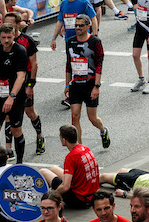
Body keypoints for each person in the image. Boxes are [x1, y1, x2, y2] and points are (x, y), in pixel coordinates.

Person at [0, 21, 29, 168]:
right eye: (3, 37)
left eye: (9, 37)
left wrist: (12, 96)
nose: (6, 40)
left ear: (14, 35)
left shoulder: (20, 50)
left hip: (15, 97)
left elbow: (21, 76)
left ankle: (20, 163)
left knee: (16, 131)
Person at [63, 15, 109, 149]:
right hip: (75, 84)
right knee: (74, 116)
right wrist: (67, 84)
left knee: (92, 118)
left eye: (80, 25)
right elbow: (68, 64)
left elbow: (99, 64)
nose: (77, 28)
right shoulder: (70, 42)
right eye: (76, 25)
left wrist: (97, 86)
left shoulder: (95, 42)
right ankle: (79, 148)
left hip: (90, 84)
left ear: (88, 26)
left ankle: (102, 130)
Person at [44, 124, 100, 210]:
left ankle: (48, 201)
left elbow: (65, 187)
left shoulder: (71, 157)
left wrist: (52, 195)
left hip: (79, 199)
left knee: (44, 171)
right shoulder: (85, 148)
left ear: (64, 140)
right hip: (91, 195)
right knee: (53, 168)